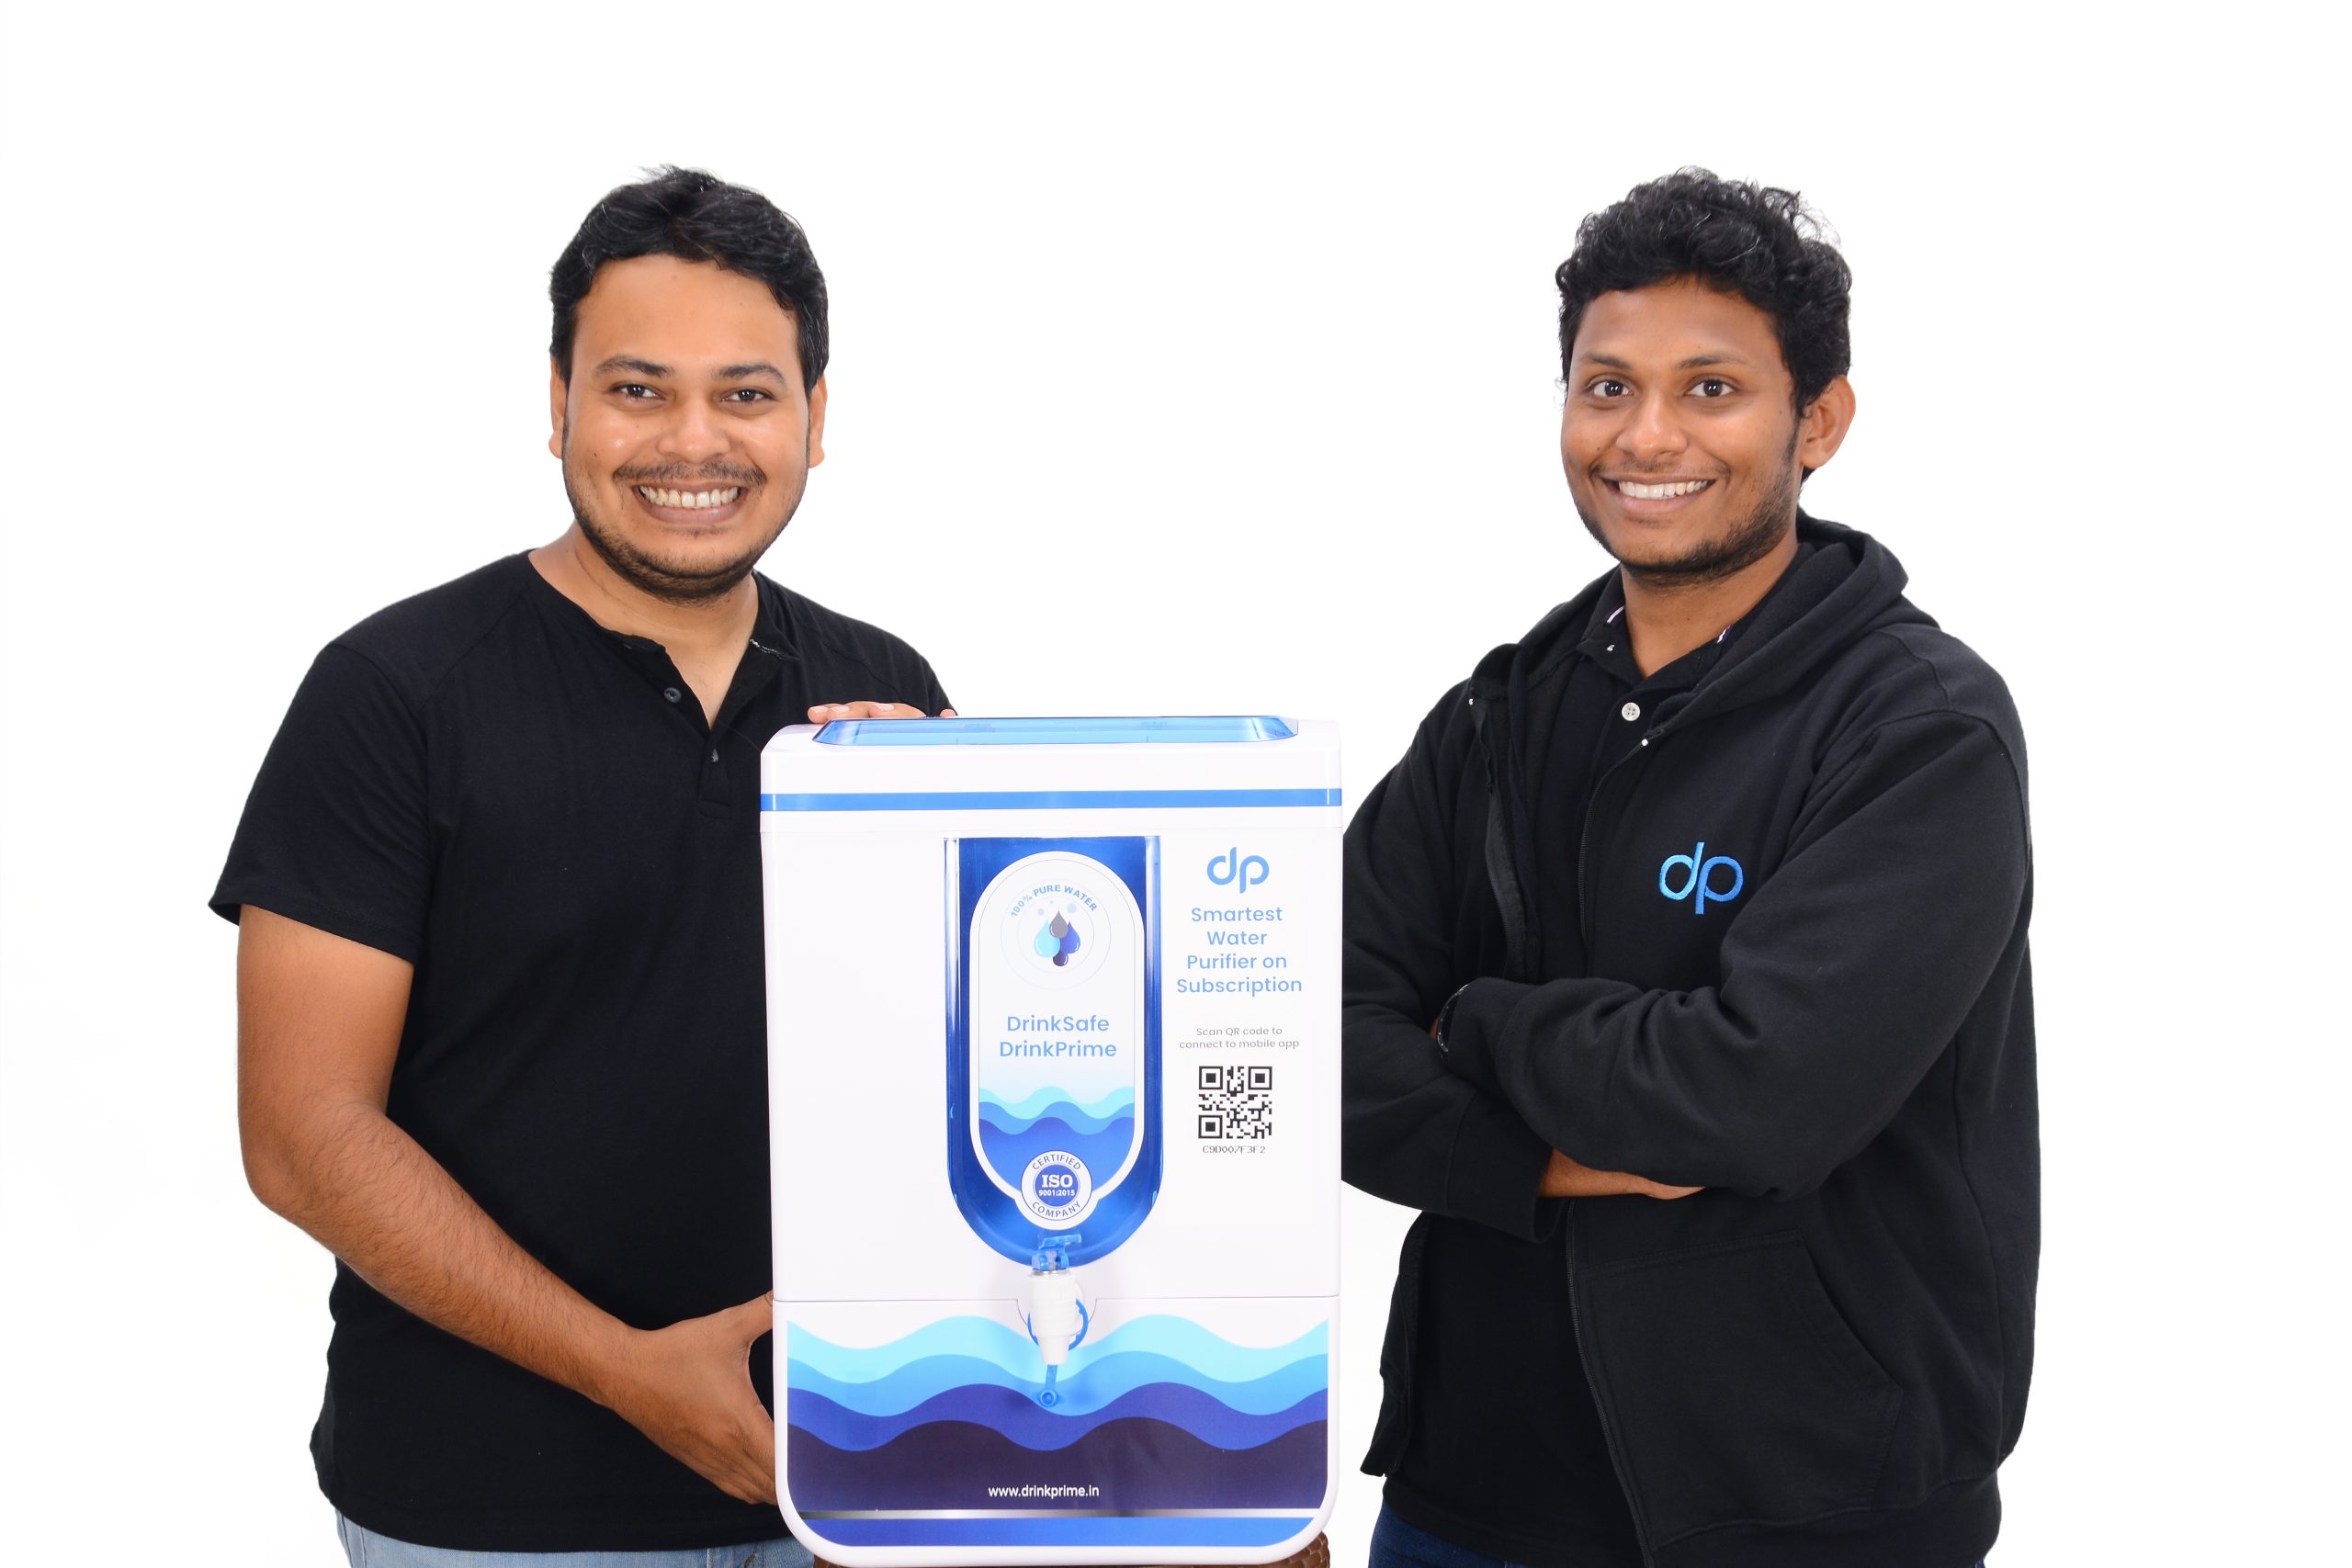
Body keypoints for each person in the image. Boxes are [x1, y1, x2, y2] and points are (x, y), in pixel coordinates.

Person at [214, 167, 951, 1562]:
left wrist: (969, 855)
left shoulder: (885, 693)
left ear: (816, 416)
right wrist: (630, 1375)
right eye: (637, 389)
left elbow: (964, 1076)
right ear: (557, 403)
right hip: (493, 1507)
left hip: (851, 1477)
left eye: (746, 393)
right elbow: (302, 1135)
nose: (694, 440)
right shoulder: (395, 692)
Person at [1341, 170, 2034, 1568]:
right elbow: (1299, 1049)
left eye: (1711, 389)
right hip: (1464, 1494)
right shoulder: (1495, 715)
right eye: (1608, 387)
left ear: (1817, 421)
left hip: (1812, 1510)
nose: (1647, 435)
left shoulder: (1918, 731)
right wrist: (1566, 1160)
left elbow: (1753, 1103)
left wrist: (1474, 1021)